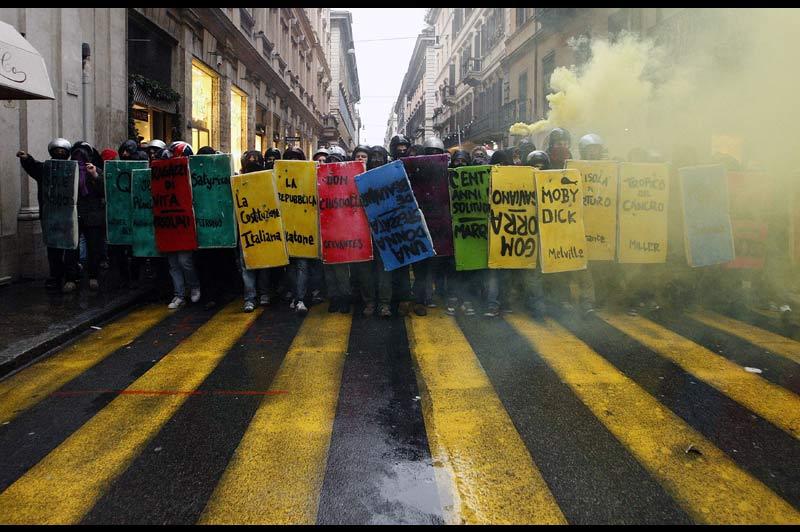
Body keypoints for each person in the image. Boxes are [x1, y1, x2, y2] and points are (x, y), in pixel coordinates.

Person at [17, 138, 80, 292]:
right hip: (51, 215)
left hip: (69, 216)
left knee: (71, 249)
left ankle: (71, 277)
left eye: (62, 151)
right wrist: (27, 159)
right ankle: (56, 276)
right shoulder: (46, 168)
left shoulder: (73, 169)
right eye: (57, 151)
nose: (59, 153)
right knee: (53, 250)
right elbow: (34, 167)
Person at [159, 141, 201, 310]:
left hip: (184, 223)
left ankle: (194, 285)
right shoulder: (162, 173)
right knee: (173, 263)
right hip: (169, 222)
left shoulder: (194, 173)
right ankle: (179, 295)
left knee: (184, 261)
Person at [69, 141, 106, 291]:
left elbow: (104, 190)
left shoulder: (95, 170)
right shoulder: (70, 171)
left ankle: (93, 276)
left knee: (94, 249)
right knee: (72, 249)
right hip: (74, 215)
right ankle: (71, 277)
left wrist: (95, 175)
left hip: (93, 216)